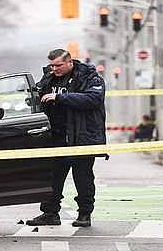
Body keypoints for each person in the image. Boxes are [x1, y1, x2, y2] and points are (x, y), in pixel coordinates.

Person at [26, 49, 106, 227]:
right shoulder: (48, 77)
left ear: (70, 62)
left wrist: (60, 97)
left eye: (58, 65)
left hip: (80, 137)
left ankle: (84, 214)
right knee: (53, 177)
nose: (55, 69)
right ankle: (50, 213)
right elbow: (38, 97)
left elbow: (93, 99)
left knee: (83, 177)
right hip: (55, 137)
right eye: (52, 65)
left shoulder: (89, 77)